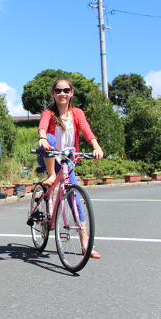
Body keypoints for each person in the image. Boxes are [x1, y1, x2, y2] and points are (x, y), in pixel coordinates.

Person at [37, 77, 103, 259]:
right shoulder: (49, 113)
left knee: (74, 200)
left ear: (72, 92)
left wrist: (96, 146)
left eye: (66, 90)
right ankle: (51, 175)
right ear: (53, 93)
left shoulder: (77, 113)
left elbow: (86, 130)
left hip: (67, 160)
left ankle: (85, 244)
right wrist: (42, 137)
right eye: (58, 91)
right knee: (49, 140)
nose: (62, 94)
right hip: (48, 156)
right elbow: (43, 126)